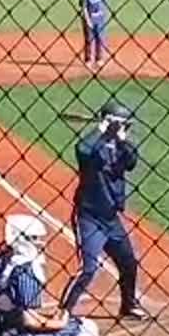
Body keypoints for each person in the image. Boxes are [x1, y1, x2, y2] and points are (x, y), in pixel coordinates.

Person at [59, 100, 151, 320]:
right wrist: (100, 130)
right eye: (123, 124)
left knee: (128, 262)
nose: (126, 128)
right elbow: (82, 150)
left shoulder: (121, 146)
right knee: (88, 269)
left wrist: (120, 139)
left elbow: (131, 162)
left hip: (111, 219)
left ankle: (128, 305)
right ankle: (62, 312)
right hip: (89, 217)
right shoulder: (92, 146)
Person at [0, 215, 99, 336]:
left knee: (9, 315)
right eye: (34, 238)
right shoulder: (27, 270)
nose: (39, 243)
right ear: (21, 238)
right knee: (86, 329)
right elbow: (29, 321)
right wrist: (58, 323)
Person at [79, 0, 111, 67]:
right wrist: (87, 20)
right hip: (90, 19)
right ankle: (88, 59)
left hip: (100, 19)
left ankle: (99, 59)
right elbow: (84, 8)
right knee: (89, 40)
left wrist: (104, 17)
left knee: (100, 39)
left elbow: (104, 5)